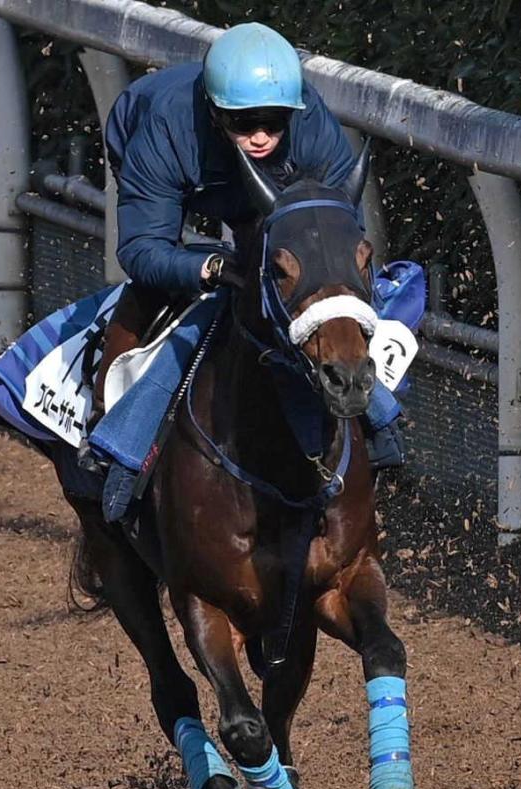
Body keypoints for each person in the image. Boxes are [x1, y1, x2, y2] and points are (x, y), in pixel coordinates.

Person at [93, 21, 405, 470]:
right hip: (174, 168)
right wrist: (213, 269)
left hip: (272, 191)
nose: (260, 136)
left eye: (273, 123)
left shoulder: (309, 123)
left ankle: (381, 423)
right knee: (158, 288)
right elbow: (142, 249)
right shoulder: (165, 128)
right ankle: (112, 437)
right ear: (215, 111)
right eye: (244, 123)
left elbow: (340, 238)